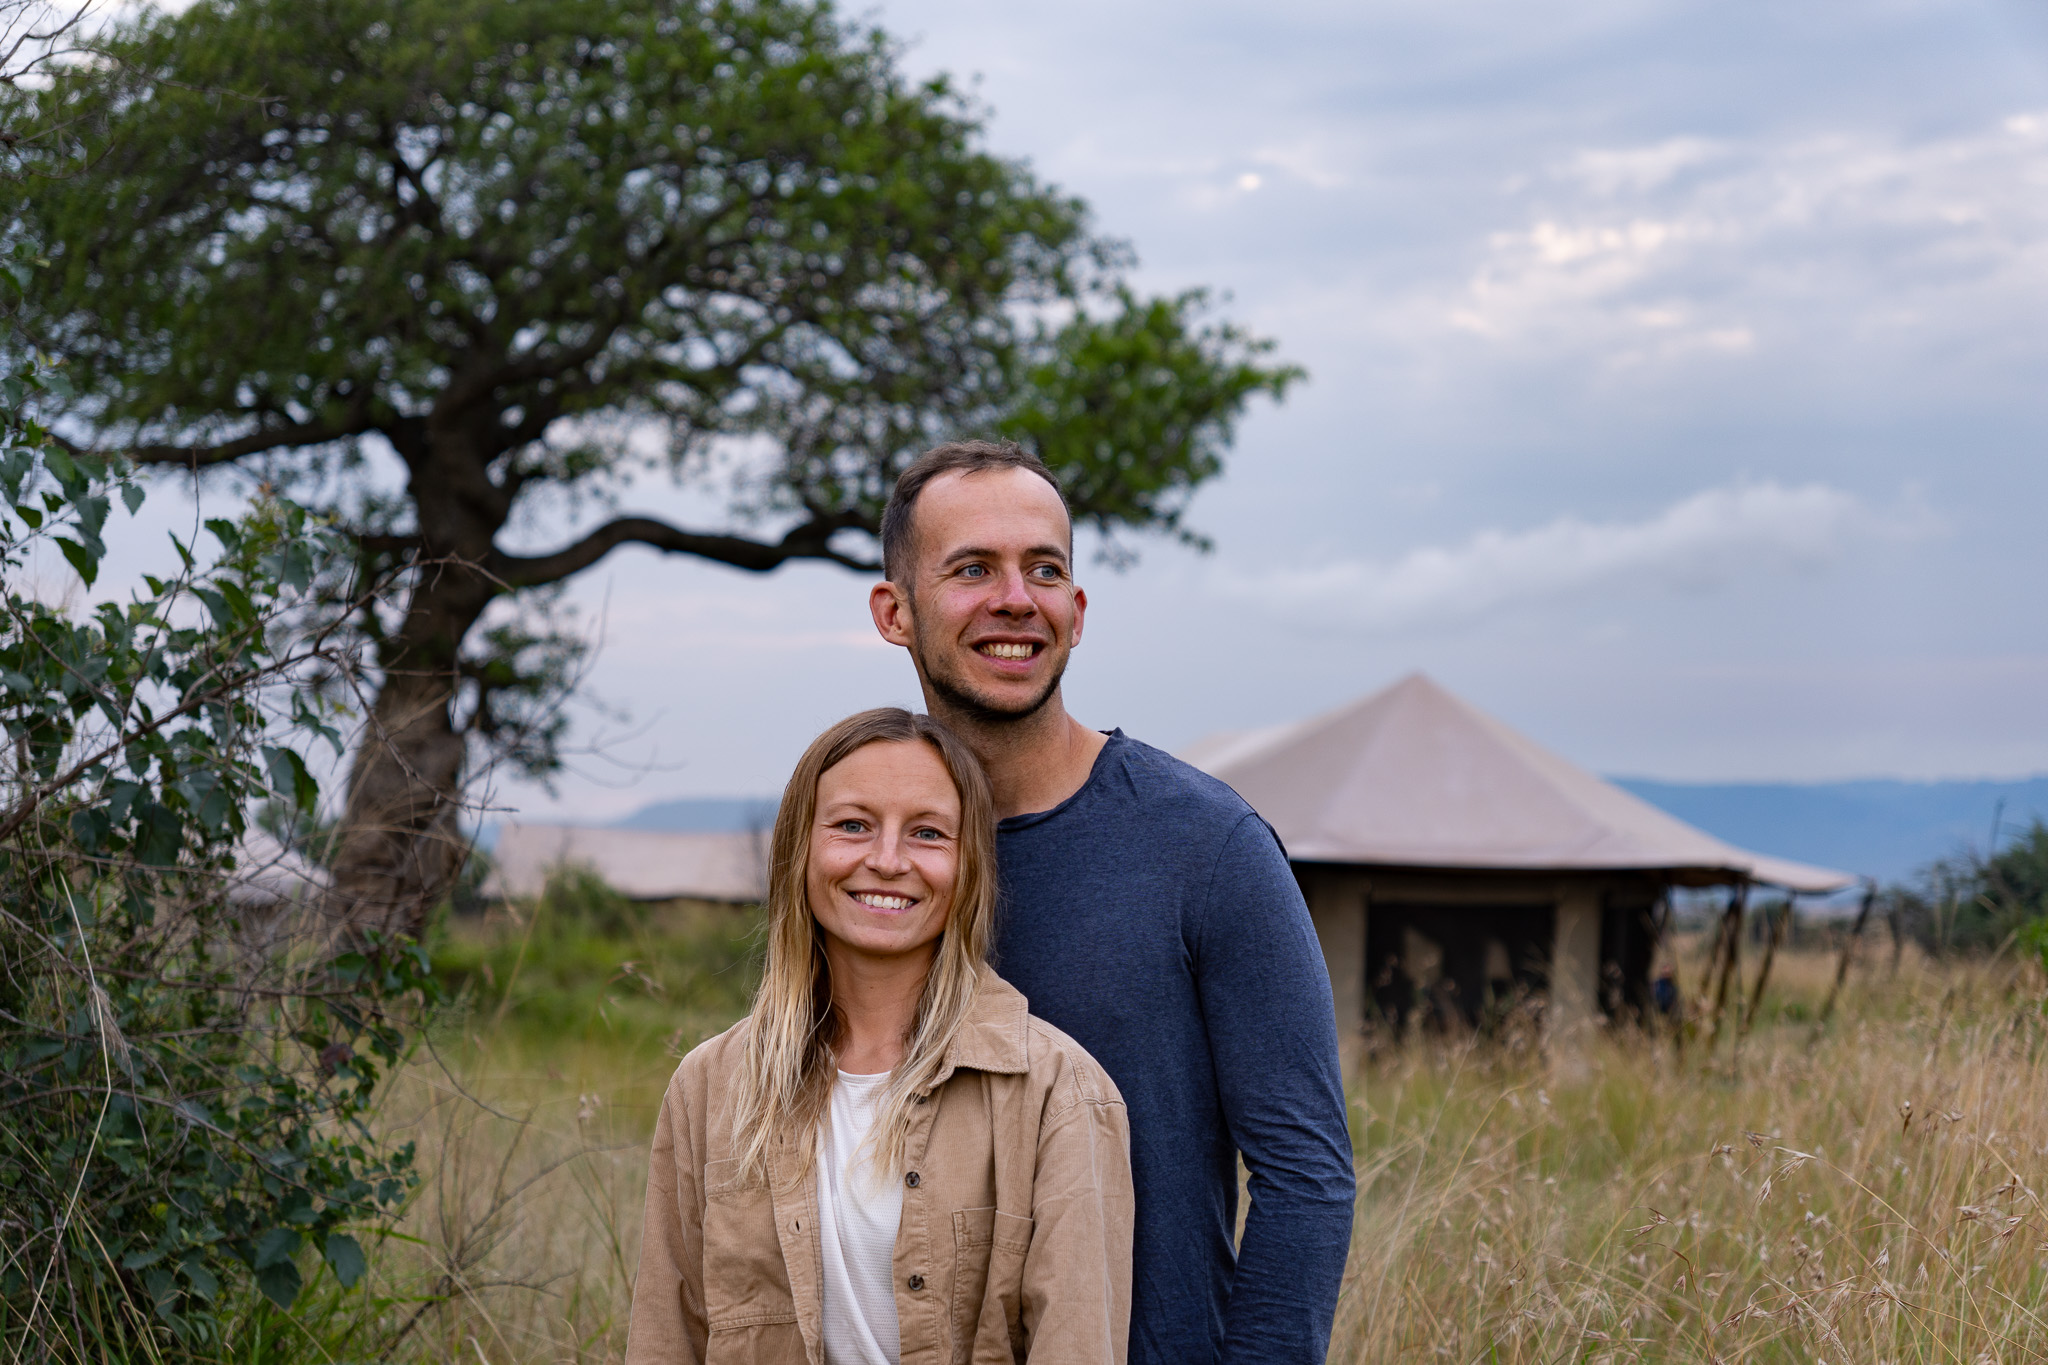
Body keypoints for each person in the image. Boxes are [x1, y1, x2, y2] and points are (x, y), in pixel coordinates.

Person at [867, 442, 1356, 1365]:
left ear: (1077, 612)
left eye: (1043, 570)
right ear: (895, 611)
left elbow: (1307, 1180)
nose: (1017, 598)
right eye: (973, 568)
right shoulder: (871, 862)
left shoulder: (1205, 845)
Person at [626, 708, 1134, 1365]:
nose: (887, 860)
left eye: (927, 832)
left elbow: (1076, 1347)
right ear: (799, 849)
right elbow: (667, 1337)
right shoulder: (709, 1085)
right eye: (853, 825)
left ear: (969, 865)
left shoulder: (1059, 1092)